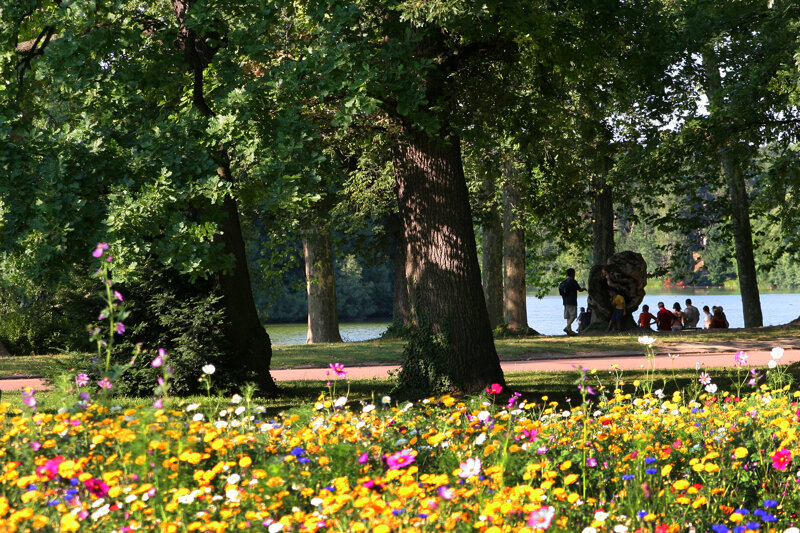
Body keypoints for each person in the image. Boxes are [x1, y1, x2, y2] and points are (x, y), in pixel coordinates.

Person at [559, 268, 586, 336]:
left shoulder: (564, 281)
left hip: (565, 301)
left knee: (568, 316)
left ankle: (570, 331)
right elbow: (579, 290)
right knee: (573, 316)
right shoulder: (573, 281)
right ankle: (567, 327)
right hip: (572, 301)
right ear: (573, 273)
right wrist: (584, 288)